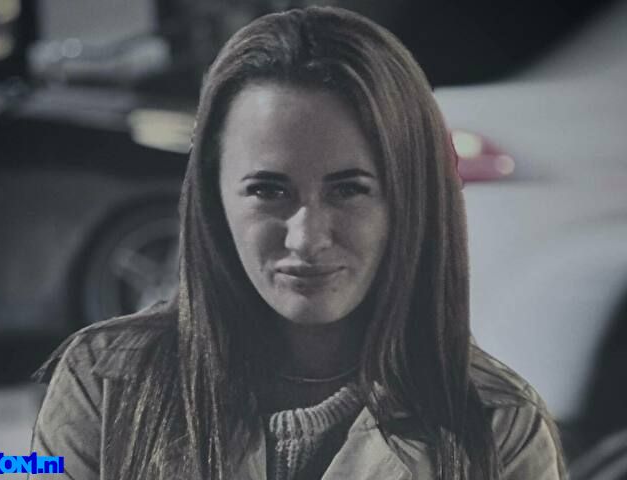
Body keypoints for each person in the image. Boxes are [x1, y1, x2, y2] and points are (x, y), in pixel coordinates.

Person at [30, 6, 566, 480]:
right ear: (213, 196)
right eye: (268, 190)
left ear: (410, 197)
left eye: (349, 190)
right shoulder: (101, 382)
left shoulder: (501, 427)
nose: (307, 237)